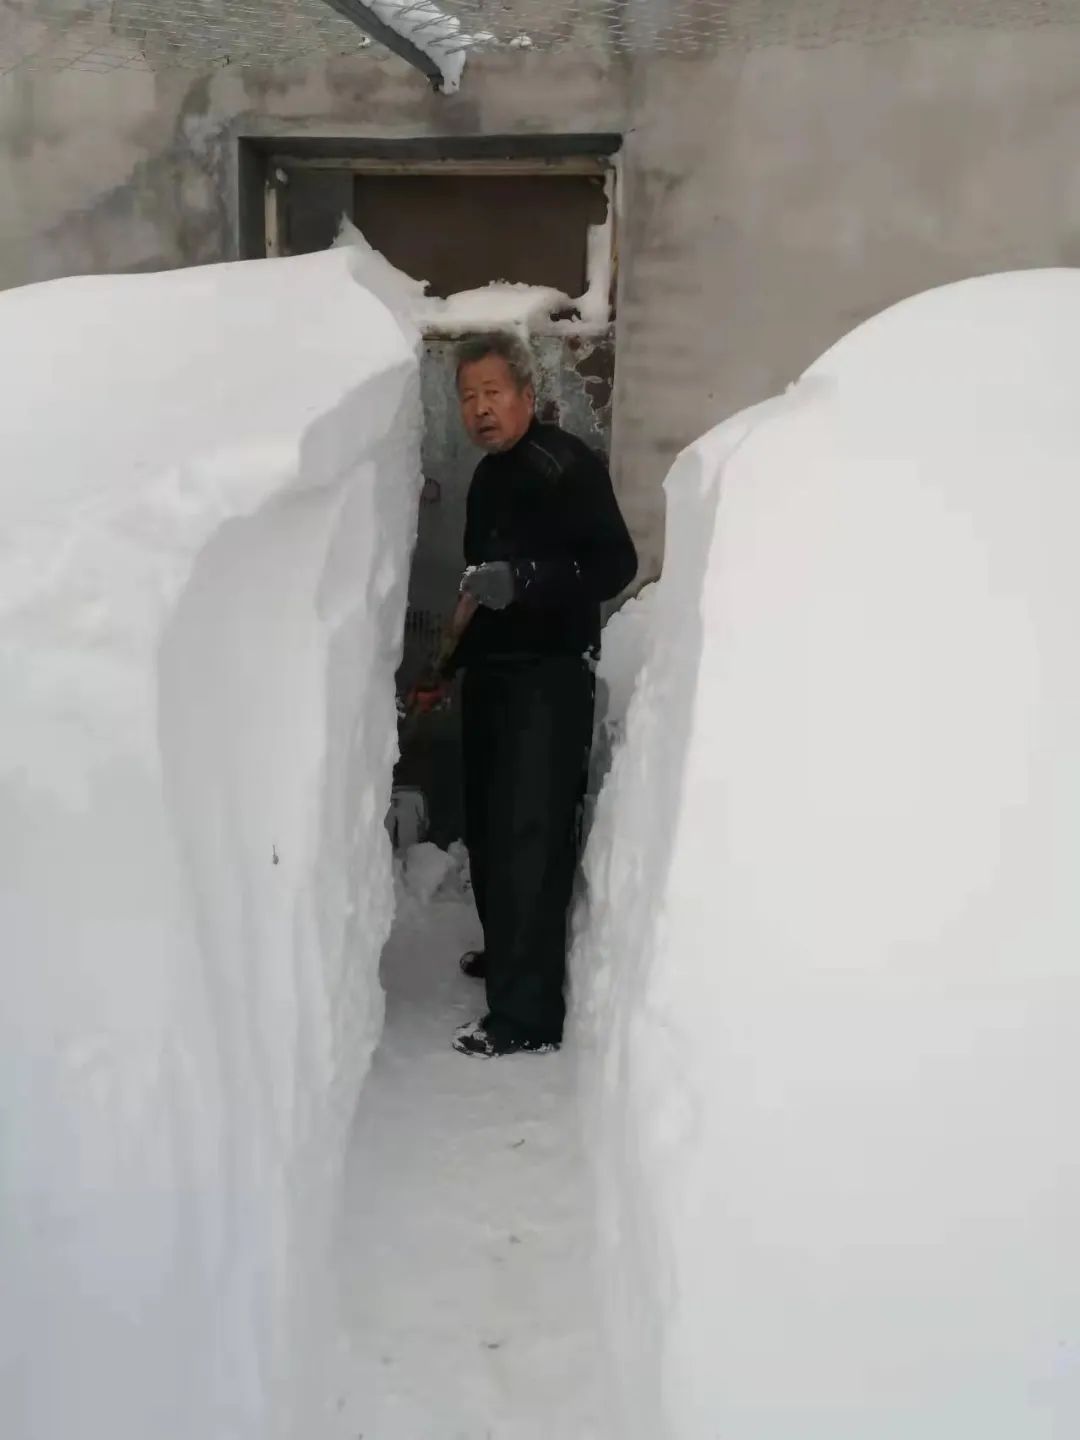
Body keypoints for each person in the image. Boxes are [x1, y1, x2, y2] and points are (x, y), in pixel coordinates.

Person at [435, 331, 638, 1058]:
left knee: (530, 837)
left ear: (525, 394)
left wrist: (524, 578)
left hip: (549, 677)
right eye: (467, 397)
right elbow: (476, 593)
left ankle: (527, 1017)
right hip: (497, 674)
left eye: (492, 393)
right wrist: (449, 668)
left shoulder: (564, 465)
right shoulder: (489, 477)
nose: (480, 409)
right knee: (491, 830)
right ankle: (510, 958)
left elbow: (615, 562)